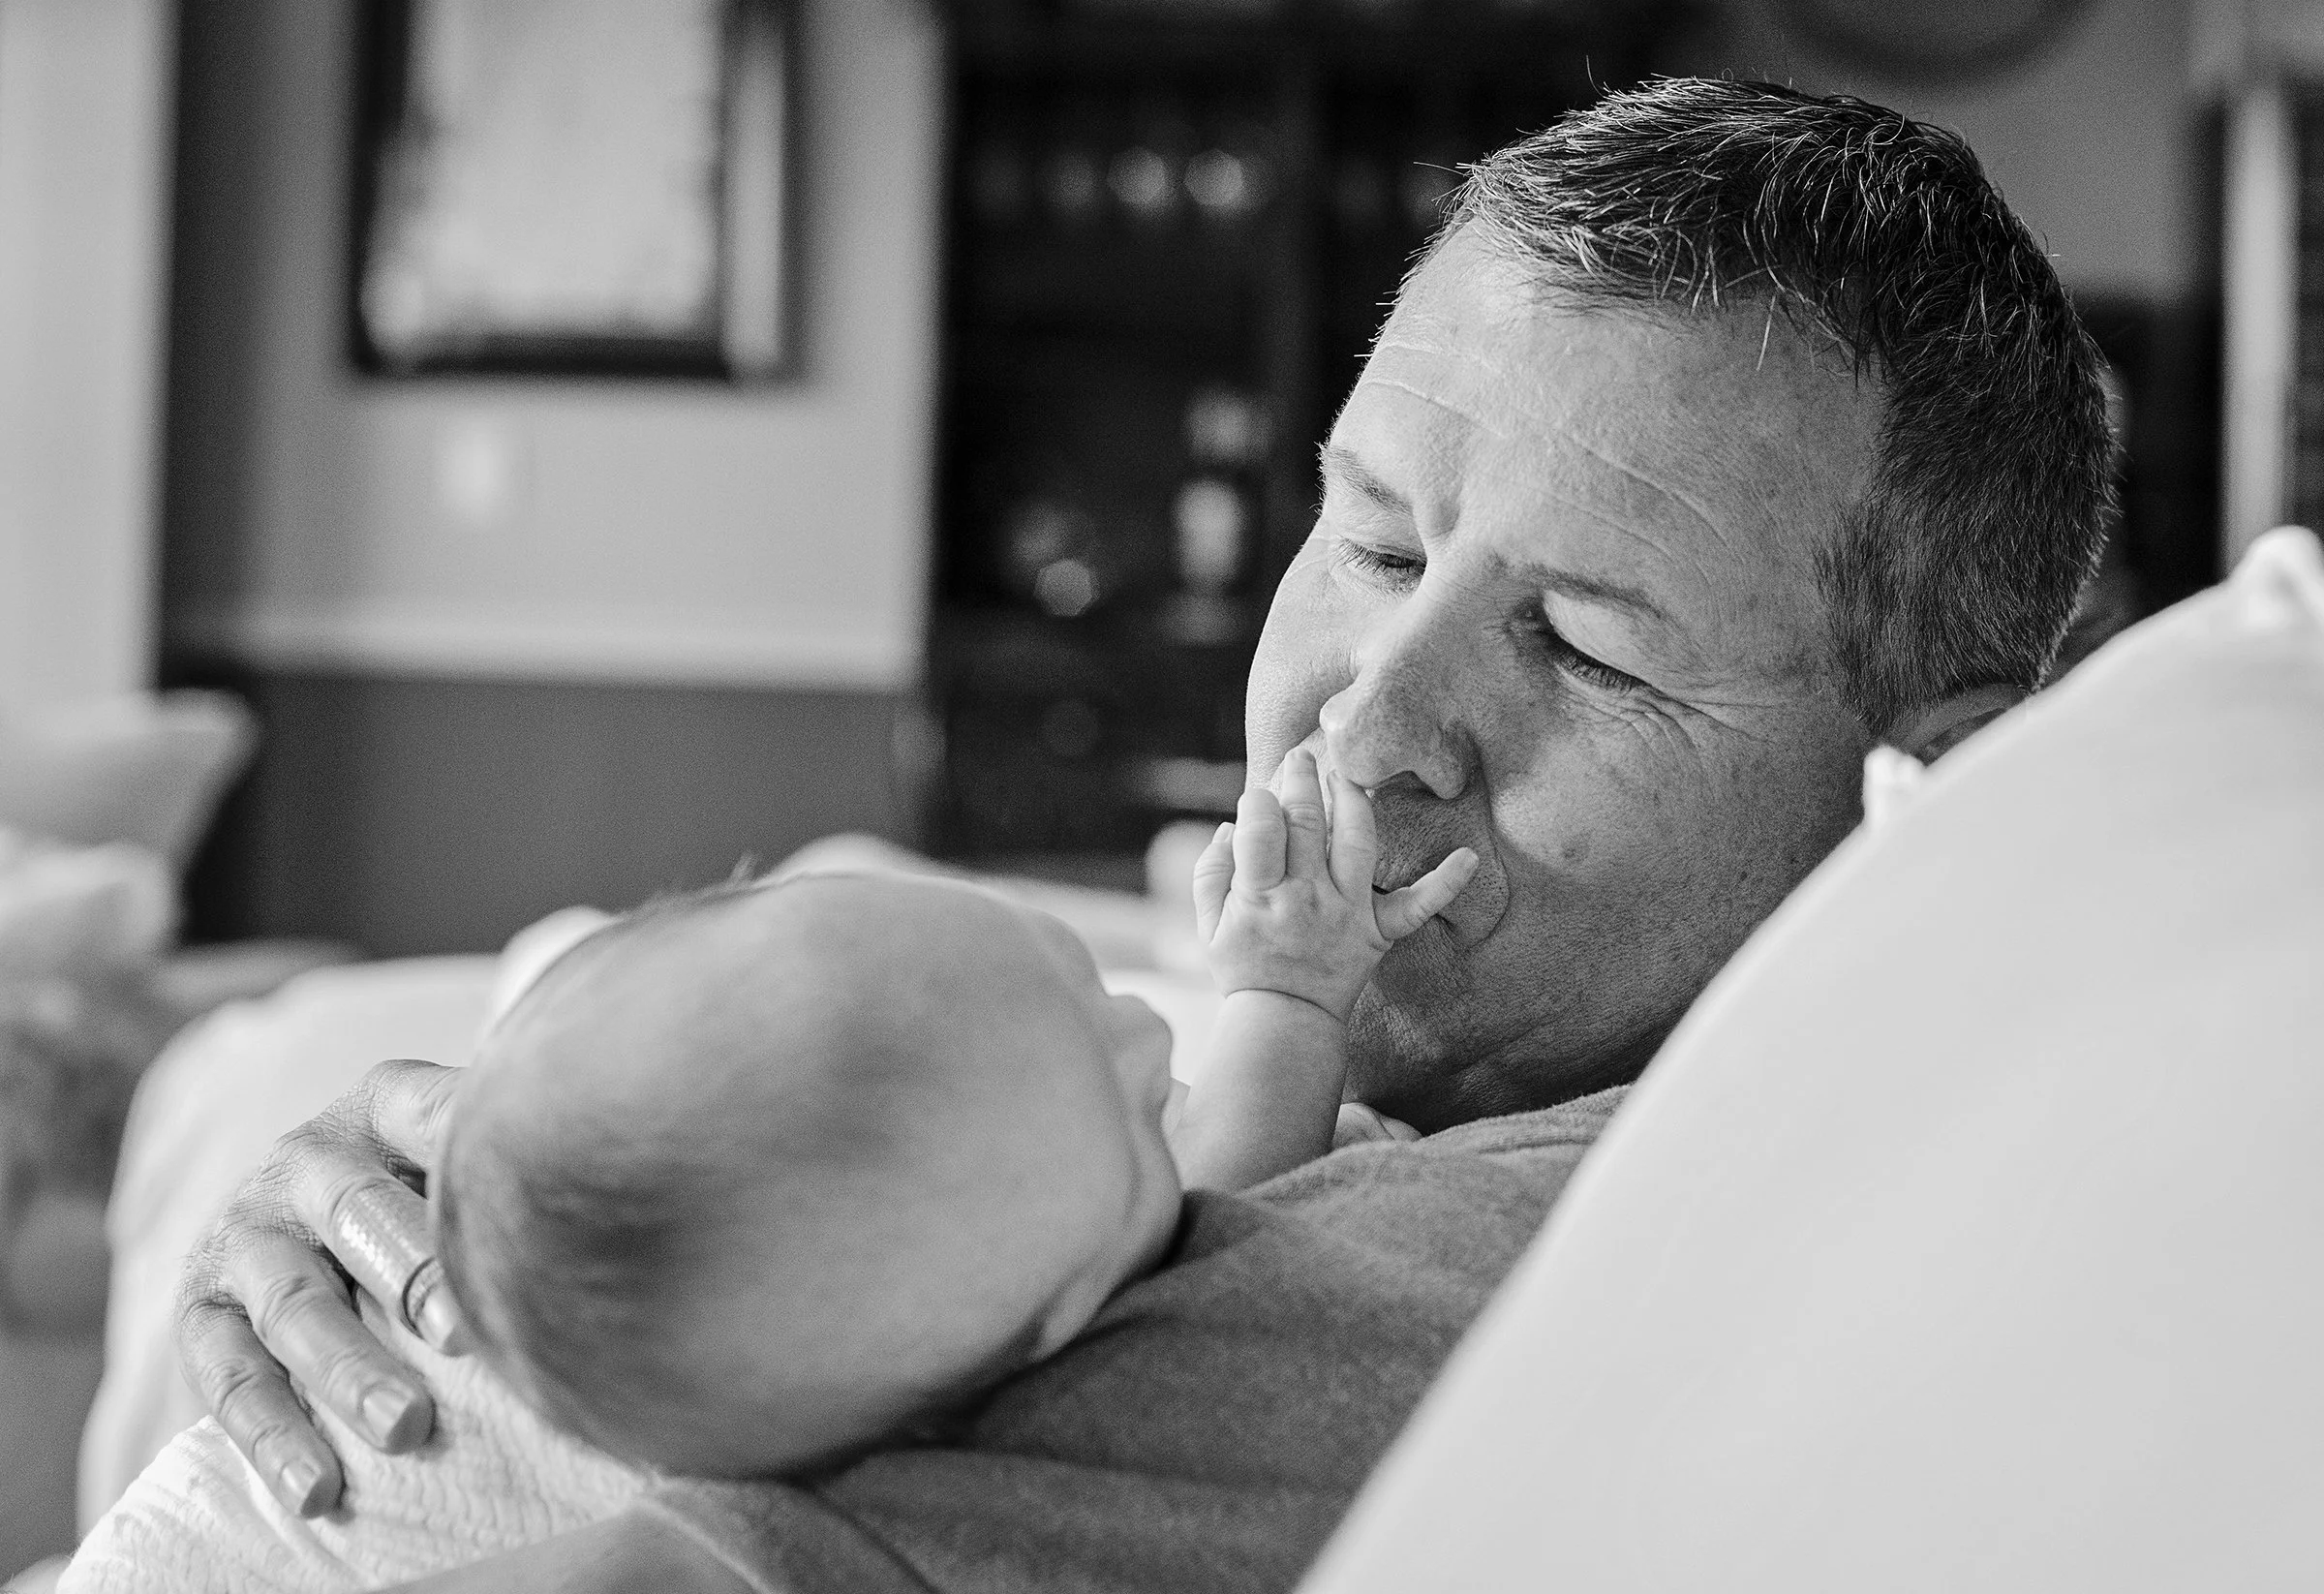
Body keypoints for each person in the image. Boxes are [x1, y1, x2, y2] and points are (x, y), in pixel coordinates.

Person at [161, 77, 2114, 1593]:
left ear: (1921, 784)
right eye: (1371, 538)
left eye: (1588, 647)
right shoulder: (1380, 1085)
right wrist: (478, 1212)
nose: (1368, 722)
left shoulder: (1459, 1284)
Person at [69, 763, 1471, 1591]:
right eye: (1133, 1112)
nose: (1157, 1028)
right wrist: (1288, 998)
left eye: (1078, 978)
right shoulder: (972, 1249)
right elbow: (1232, 1172)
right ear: (1048, 1337)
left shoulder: (942, 1139)